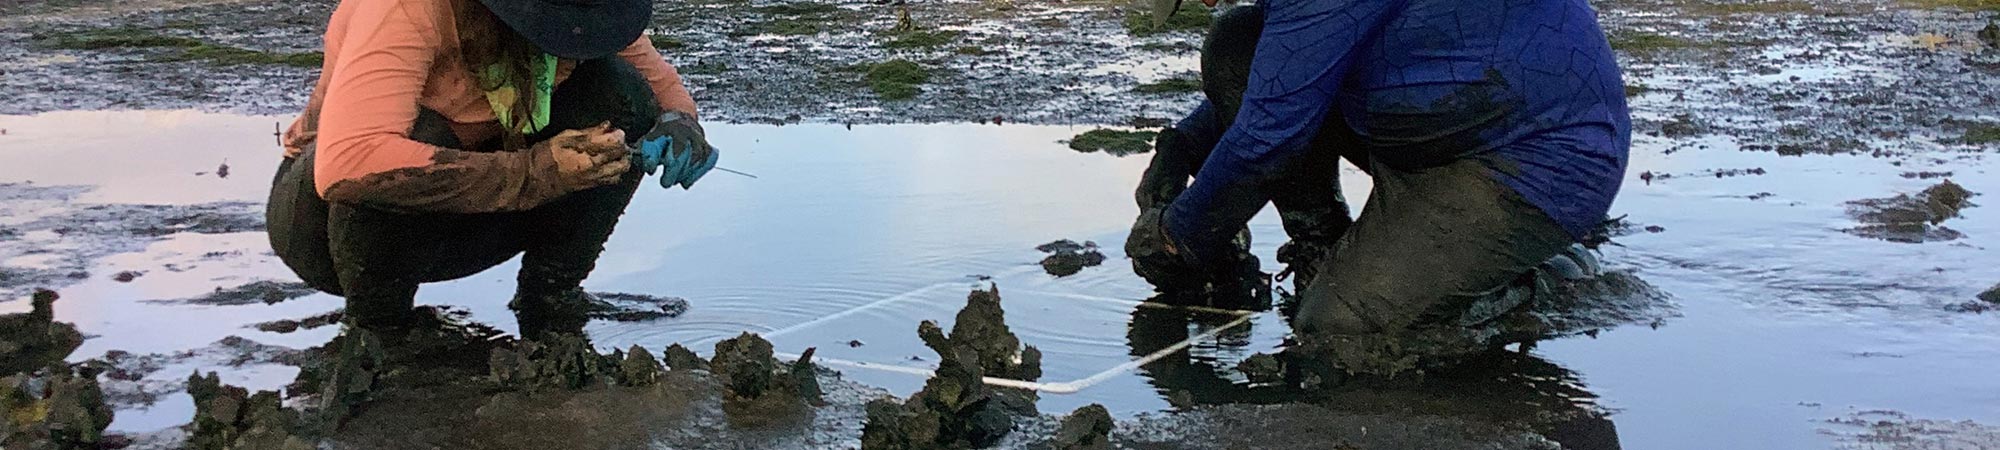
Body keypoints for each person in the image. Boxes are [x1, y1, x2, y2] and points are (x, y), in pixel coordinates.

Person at [1126, 0, 1631, 344]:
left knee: (1341, 330)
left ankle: (1539, 277)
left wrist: (1175, 240)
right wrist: (1180, 146)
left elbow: (1266, 137)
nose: (1209, 2)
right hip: (1436, 121)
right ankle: (1321, 245)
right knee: (1239, 41)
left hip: (1531, 162)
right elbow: (1286, 74)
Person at [266, 0, 718, 342]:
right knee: (419, 138)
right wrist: (535, 172)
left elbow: (660, 90)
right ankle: (379, 331)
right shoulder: (407, 7)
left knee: (622, 91)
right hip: (330, 233)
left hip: (480, 216)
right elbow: (348, 166)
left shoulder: (584, 9)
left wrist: (681, 125)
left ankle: (551, 294)